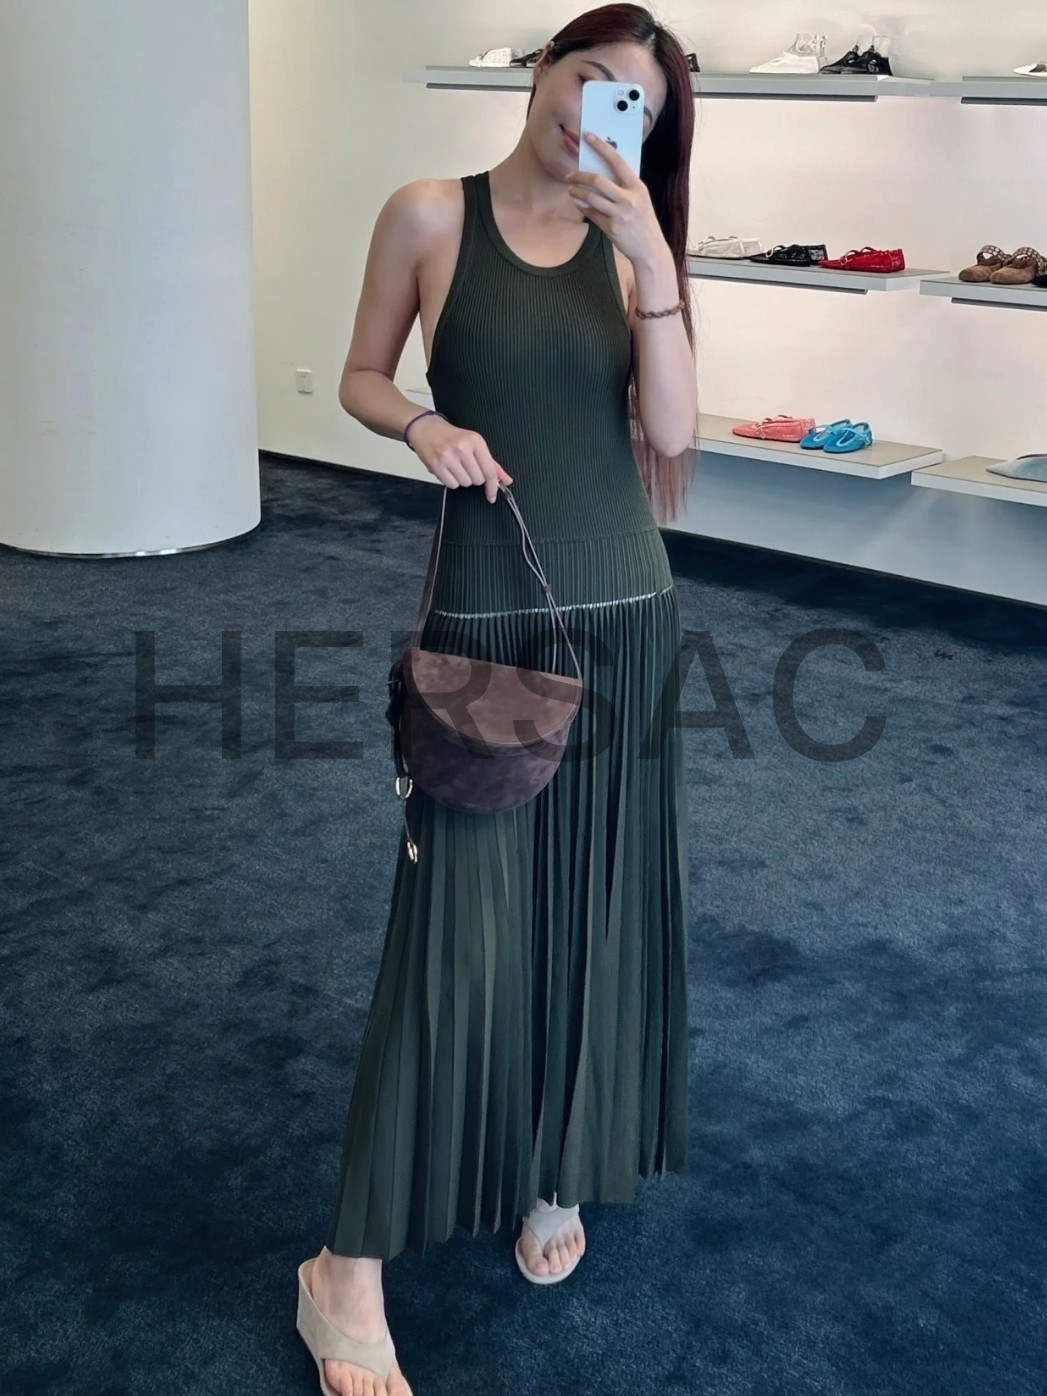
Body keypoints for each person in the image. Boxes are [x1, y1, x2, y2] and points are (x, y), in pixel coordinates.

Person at [295, 6, 698, 1393]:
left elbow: (670, 434)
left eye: (633, 103)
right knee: (455, 930)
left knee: (597, 907)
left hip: (628, 613)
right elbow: (360, 374)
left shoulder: (633, 243)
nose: (599, 112)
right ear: (540, 72)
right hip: (486, 608)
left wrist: (655, 263)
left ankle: (557, 1160)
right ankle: (345, 1265)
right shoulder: (430, 213)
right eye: (588, 78)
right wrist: (422, 424)